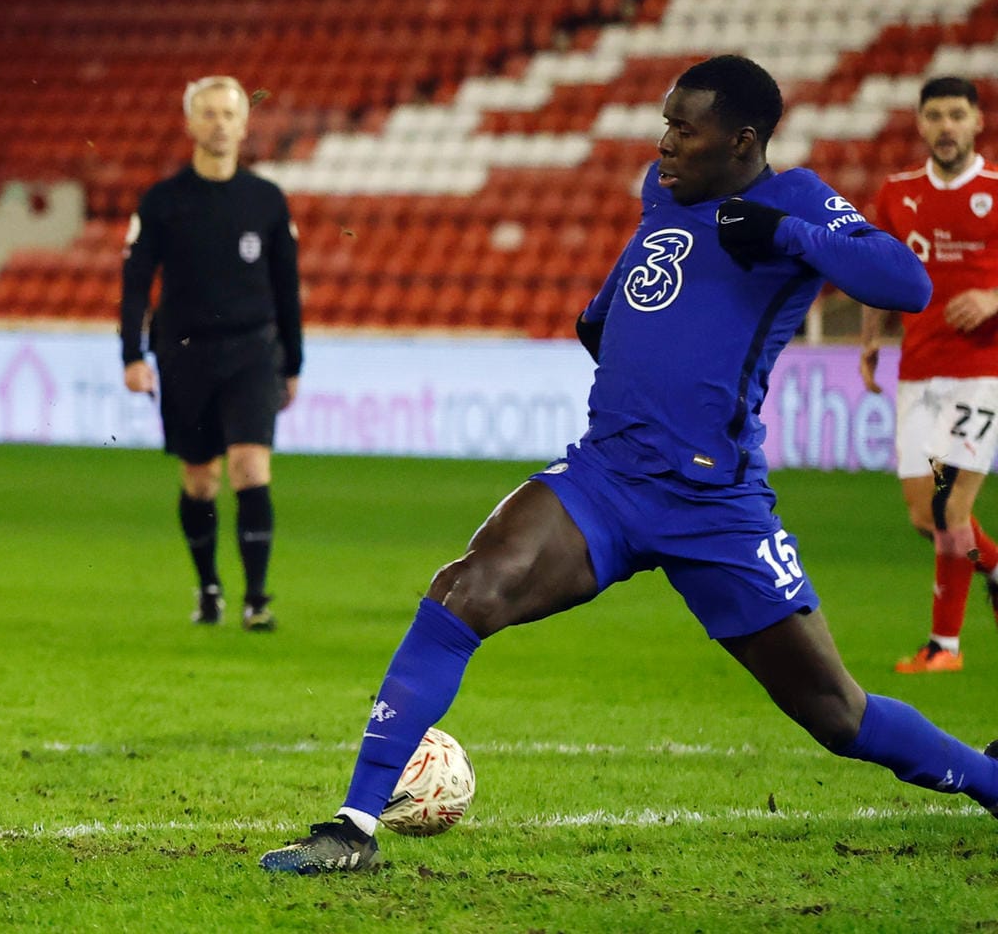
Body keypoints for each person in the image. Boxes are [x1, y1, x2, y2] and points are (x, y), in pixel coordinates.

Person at [260, 55, 998, 876]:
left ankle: (993, 779)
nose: (666, 142)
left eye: (687, 128)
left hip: (716, 502)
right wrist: (604, 310)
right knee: (465, 588)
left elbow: (909, 284)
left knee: (836, 713)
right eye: (666, 123)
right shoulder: (663, 189)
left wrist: (790, 235)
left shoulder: (792, 200)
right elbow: (640, 272)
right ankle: (352, 826)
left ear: (743, 139)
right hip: (608, 476)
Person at [120, 75, 302, 631]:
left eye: (229, 114)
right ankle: (209, 587)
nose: (220, 124)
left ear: (245, 125)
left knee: (251, 466)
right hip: (184, 352)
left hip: (252, 351)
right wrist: (131, 354)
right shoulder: (163, 201)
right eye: (209, 114)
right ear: (190, 124)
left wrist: (293, 362)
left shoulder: (266, 201)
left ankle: (256, 598)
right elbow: (134, 281)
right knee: (200, 480)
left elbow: (286, 288)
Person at [861, 76, 998, 673]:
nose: (946, 126)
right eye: (935, 115)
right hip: (918, 369)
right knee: (927, 518)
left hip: (982, 370)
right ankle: (992, 568)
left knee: (950, 511)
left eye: (957, 115)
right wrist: (871, 339)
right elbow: (875, 266)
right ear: (920, 124)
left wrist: (994, 298)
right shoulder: (898, 193)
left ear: (976, 124)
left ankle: (945, 647)